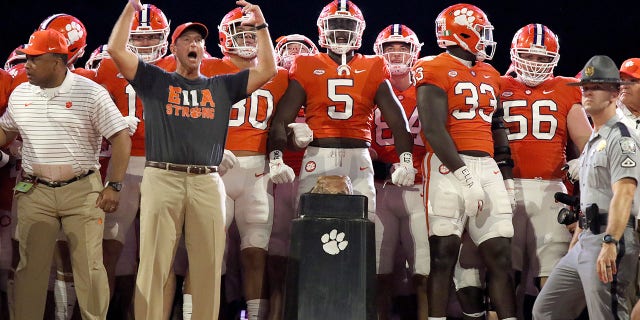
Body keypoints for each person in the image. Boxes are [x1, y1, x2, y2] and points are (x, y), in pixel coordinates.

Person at [107, 0, 276, 318]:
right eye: (186, 39)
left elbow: (268, 70)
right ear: (174, 48)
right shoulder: (155, 81)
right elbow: (117, 50)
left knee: (208, 267)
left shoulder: (221, 86)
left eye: (199, 40)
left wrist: (261, 23)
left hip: (208, 180)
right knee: (154, 264)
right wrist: (130, 8)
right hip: (163, 176)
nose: (194, 44)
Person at [267, 3, 416, 291]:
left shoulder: (373, 65)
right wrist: (277, 157)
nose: (341, 31)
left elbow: (398, 122)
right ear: (323, 30)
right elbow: (281, 119)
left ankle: (355, 298)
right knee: (310, 229)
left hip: (359, 156)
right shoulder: (307, 64)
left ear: (358, 31)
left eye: (347, 26)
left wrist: (406, 160)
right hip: (317, 154)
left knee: (364, 231)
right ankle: (312, 297)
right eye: (335, 25)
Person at [0, 28, 131, 320]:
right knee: (30, 268)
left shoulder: (91, 92)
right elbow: (6, 129)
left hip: (82, 191)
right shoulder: (21, 93)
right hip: (35, 191)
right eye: (26, 59)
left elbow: (121, 137)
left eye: (34, 59)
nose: (27, 65)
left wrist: (115, 185)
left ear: (57, 62)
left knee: (90, 268)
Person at [413, 3, 517, 319]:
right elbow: (432, 128)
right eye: (481, 32)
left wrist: (506, 173)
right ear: (462, 32)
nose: (486, 39)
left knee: (500, 255)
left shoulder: (491, 73)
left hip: (487, 167)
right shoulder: (433, 66)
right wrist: (464, 175)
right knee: (443, 255)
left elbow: (497, 124)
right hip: (447, 166)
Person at [532, 55, 640, 319]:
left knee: (608, 315)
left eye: (596, 87)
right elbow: (591, 194)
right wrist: (579, 234)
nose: (587, 92)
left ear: (615, 94)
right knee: (545, 311)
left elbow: (625, 193)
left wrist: (611, 241)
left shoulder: (622, 137)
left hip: (609, 236)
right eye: (585, 87)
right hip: (586, 239)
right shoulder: (594, 138)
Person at [498, 23, 593, 315]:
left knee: (550, 274)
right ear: (515, 54)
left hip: (551, 189)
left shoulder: (565, 88)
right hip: (504, 187)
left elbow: (587, 140)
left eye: (542, 58)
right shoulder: (499, 85)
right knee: (504, 275)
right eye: (529, 55)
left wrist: (582, 158)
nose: (535, 64)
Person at [209, 7, 291, 320]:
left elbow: (284, 121)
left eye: (250, 32)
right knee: (209, 255)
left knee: (256, 254)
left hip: (257, 172)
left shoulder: (279, 75)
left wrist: (293, 133)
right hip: (215, 168)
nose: (245, 39)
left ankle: (254, 316)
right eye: (238, 33)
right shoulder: (207, 68)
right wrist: (209, 149)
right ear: (223, 38)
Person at [370, 23, 429, 320]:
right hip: (381, 186)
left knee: (423, 271)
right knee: (380, 271)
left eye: (402, 47)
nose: (396, 53)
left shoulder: (429, 87)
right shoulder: (370, 87)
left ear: (415, 52)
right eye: (390, 47)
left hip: (421, 187)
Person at [267, 33, 318, 320]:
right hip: (278, 173)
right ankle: (273, 313)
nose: (295, 54)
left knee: (312, 250)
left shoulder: (320, 81)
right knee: (275, 248)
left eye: (301, 49)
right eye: (290, 49)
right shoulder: (273, 82)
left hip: (314, 173)